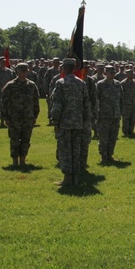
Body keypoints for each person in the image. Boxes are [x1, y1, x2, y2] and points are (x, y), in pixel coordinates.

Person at [50, 58, 91, 186]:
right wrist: (85, 120)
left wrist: (55, 121)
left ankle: (68, 179)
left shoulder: (60, 83)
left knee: (66, 151)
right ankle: (76, 179)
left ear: (64, 68)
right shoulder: (81, 83)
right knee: (76, 150)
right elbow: (86, 104)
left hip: (65, 123)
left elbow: (57, 104)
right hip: (78, 122)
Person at [1, 61, 40, 168]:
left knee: (26, 139)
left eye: (25, 71)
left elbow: (36, 102)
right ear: (16, 71)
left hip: (28, 117)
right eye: (21, 70)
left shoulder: (32, 85)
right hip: (14, 118)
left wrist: (35, 116)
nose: (23, 73)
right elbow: (4, 102)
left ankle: (23, 160)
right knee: (14, 139)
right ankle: (15, 161)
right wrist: (6, 117)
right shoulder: (10, 86)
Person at [96, 64, 122, 163]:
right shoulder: (100, 84)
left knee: (113, 137)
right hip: (104, 115)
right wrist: (97, 114)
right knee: (103, 137)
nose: (112, 74)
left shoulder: (117, 84)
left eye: (113, 72)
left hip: (115, 115)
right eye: (110, 72)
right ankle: (103, 156)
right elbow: (96, 99)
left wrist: (120, 112)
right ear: (105, 73)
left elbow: (121, 99)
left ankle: (110, 155)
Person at [119, 68, 135, 136]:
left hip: (134, 103)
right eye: (129, 73)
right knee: (126, 118)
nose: (131, 75)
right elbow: (120, 94)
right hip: (126, 104)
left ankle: (131, 131)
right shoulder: (123, 83)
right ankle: (125, 132)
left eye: (131, 73)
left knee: (133, 118)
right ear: (126, 74)